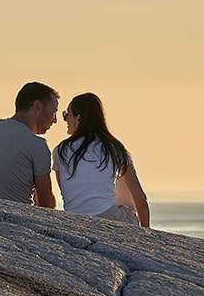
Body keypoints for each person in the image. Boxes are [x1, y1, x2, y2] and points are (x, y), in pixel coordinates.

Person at [53, 93, 150, 227]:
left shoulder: (60, 150)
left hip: (75, 218)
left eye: (66, 114)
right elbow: (140, 200)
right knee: (121, 176)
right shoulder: (114, 148)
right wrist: (146, 233)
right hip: (111, 218)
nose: (65, 119)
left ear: (78, 118)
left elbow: (66, 192)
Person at [0, 82, 59, 207]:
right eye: (53, 112)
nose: (55, 120)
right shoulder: (36, 145)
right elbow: (46, 204)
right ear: (37, 107)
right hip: (13, 218)